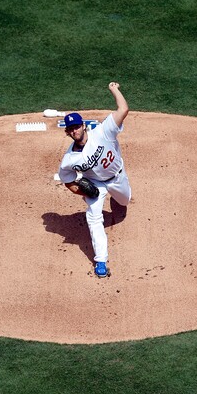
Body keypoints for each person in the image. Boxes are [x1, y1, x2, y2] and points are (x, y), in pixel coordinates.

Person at [58, 82, 132, 278]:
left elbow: (123, 109)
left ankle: (118, 198)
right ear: (67, 132)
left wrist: (114, 89)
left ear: (83, 125)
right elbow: (68, 180)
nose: (74, 130)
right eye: (70, 129)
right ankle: (100, 261)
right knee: (93, 218)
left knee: (124, 201)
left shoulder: (102, 131)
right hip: (96, 185)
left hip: (117, 177)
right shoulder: (69, 159)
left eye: (76, 126)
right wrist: (84, 192)